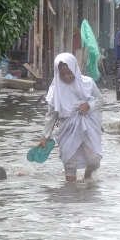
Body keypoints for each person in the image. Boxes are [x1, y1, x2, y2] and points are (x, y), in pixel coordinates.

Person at [36, 53, 103, 182]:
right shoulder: (55, 90)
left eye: (69, 72)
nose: (66, 77)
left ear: (75, 68)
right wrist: (44, 136)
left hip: (87, 127)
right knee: (69, 163)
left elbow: (100, 100)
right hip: (66, 129)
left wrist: (88, 105)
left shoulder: (88, 83)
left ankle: (87, 175)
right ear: (57, 73)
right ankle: (70, 195)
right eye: (62, 74)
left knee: (94, 160)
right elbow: (51, 115)